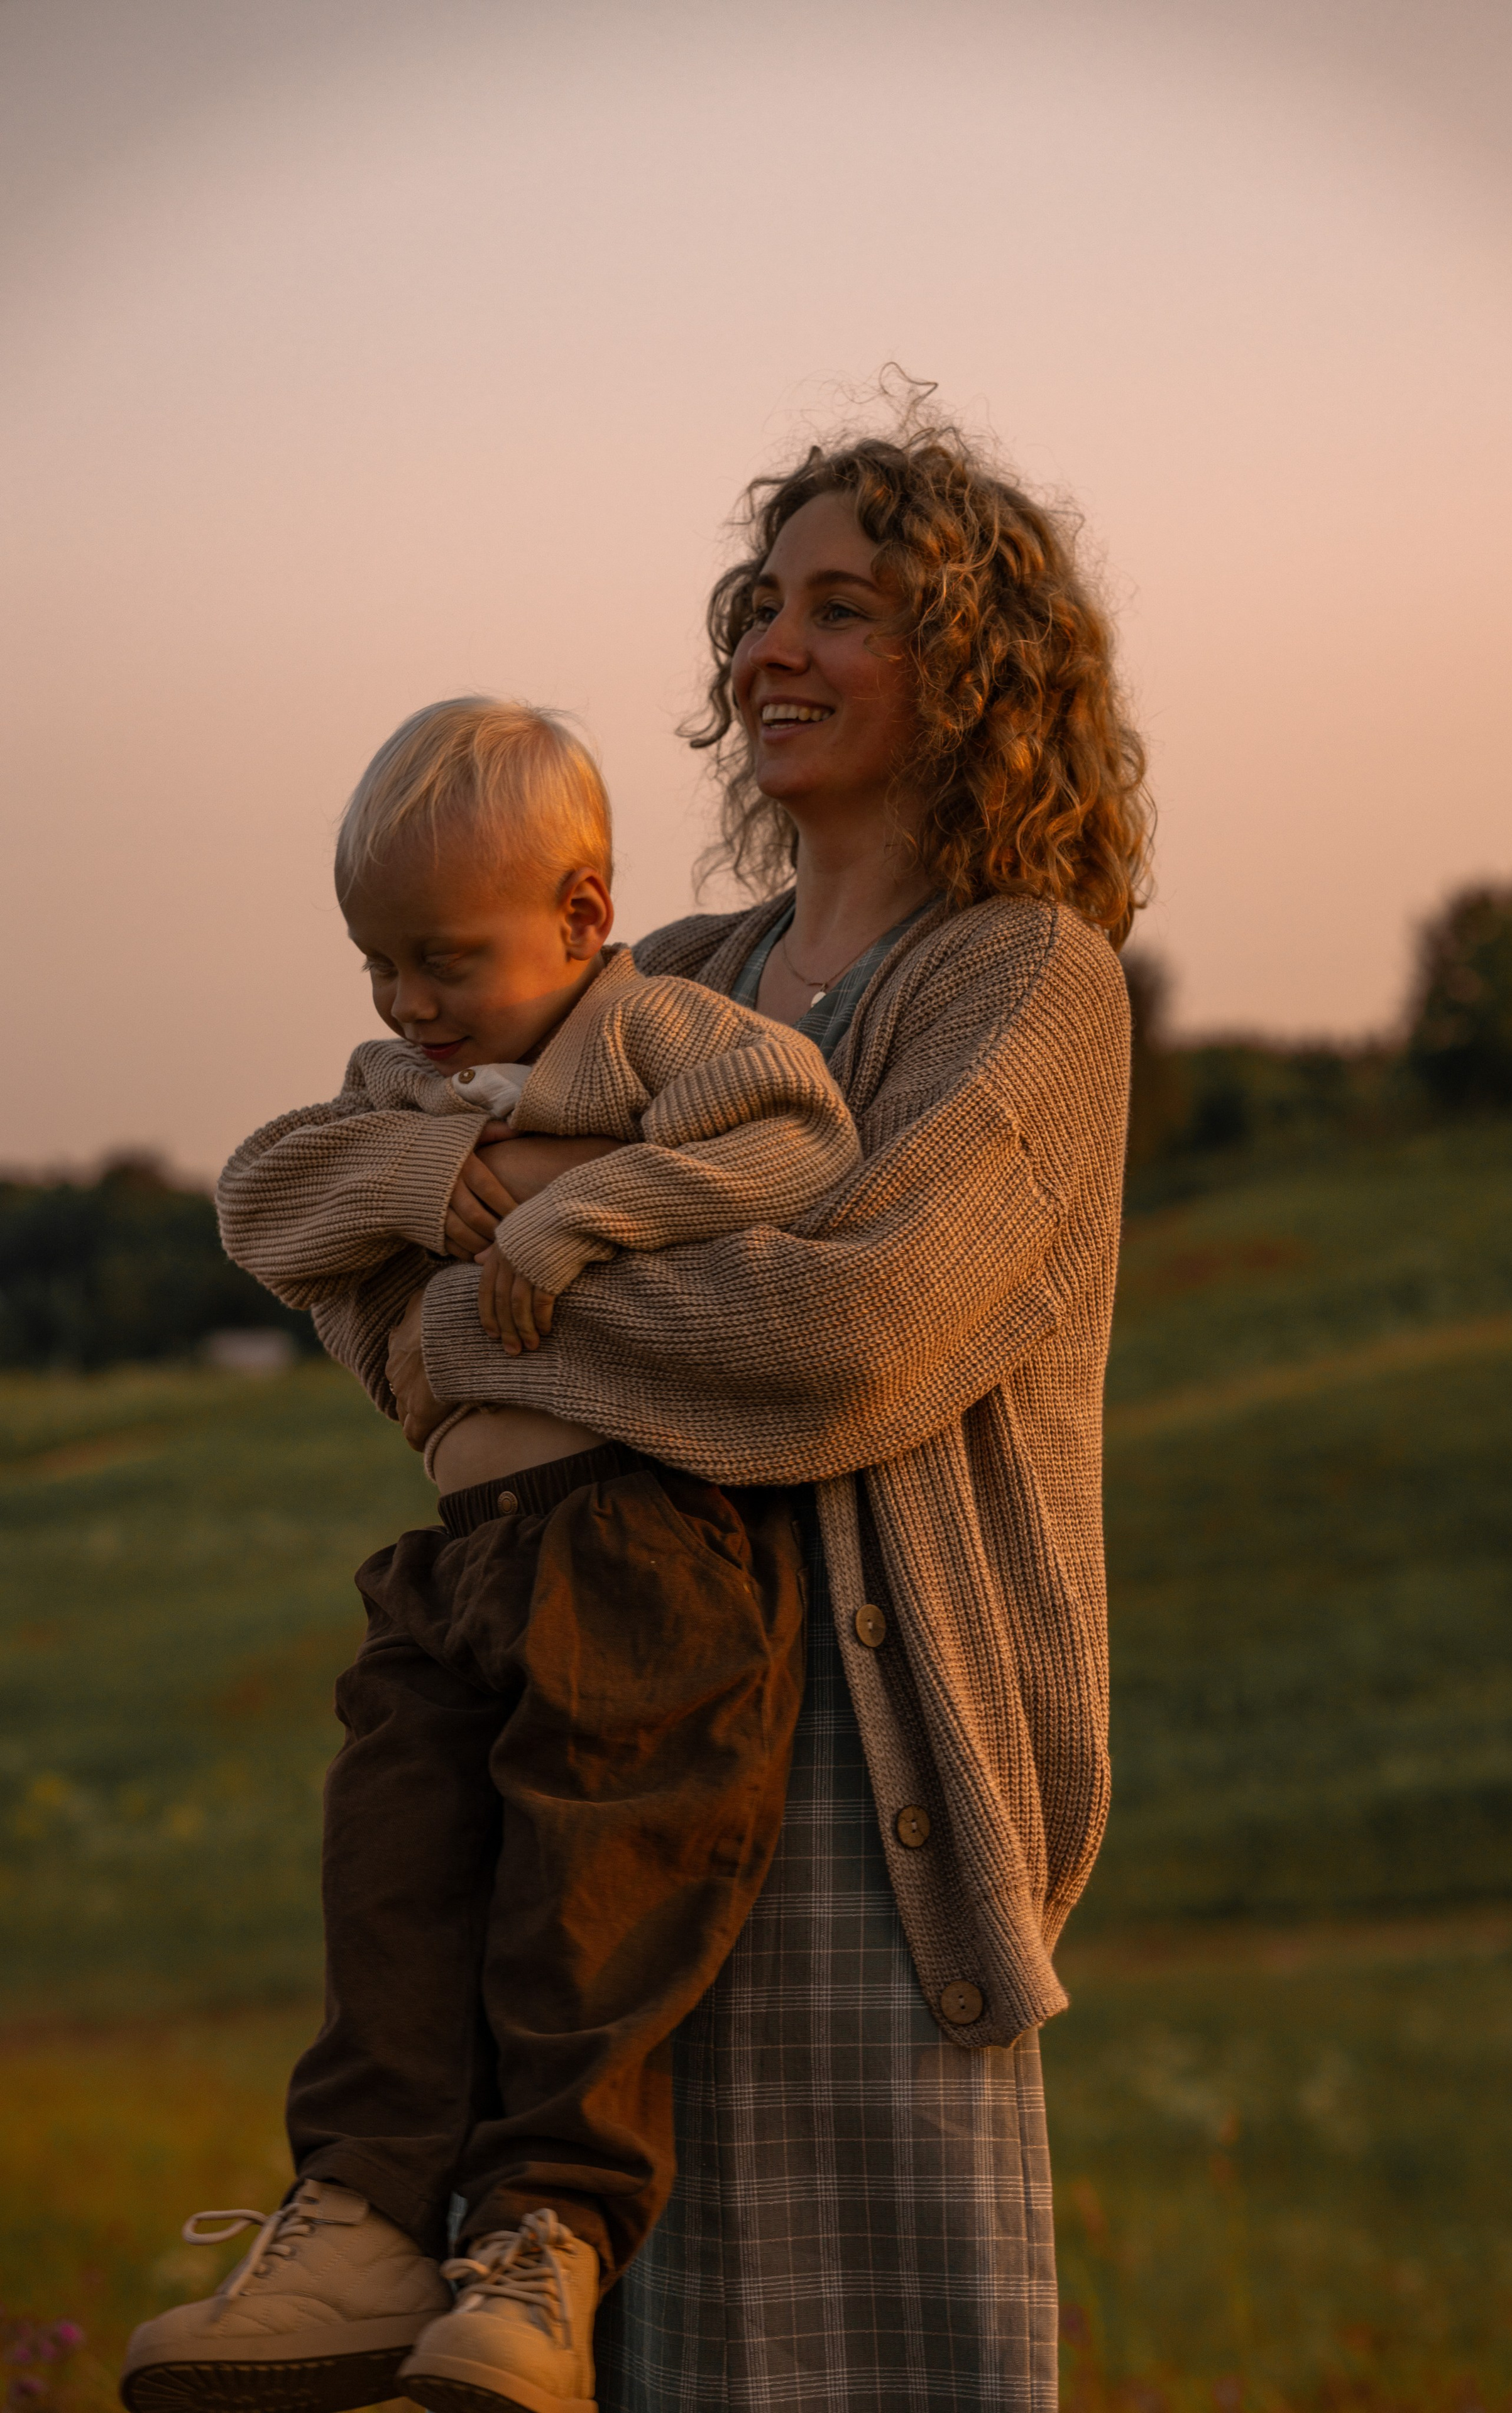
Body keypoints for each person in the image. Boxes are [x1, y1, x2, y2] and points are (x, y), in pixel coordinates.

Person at [380, 414, 1150, 2412]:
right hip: (603, 1744)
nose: (770, 653)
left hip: (870, 1784)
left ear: (973, 671)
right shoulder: (675, 980)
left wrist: (521, 1257)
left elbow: (850, 1343)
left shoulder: (1028, 988)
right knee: (597, 2327)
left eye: (847, 610)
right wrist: (466, 1250)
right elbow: (374, 1287)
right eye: (762, 607)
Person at [119, 698, 863, 2413]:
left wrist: (577, 1208)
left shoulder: (661, 1034)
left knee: (591, 1894)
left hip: (640, 1540)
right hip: (462, 1557)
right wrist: (430, 1160)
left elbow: (802, 1142)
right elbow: (260, 1206)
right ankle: (366, 2218)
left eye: (443, 959)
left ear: (586, 917)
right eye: (378, 964)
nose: (404, 1005)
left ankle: (545, 2244)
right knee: (391, 1870)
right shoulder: (399, 1096)